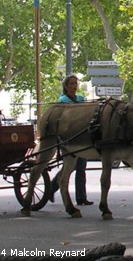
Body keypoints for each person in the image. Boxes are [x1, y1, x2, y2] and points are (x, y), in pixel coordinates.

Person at [49, 75, 93, 206]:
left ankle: (81, 197)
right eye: (72, 84)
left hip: (81, 137)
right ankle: (51, 188)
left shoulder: (80, 99)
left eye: (76, 83)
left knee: (81, 168)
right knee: (70, 167)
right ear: (66, 86)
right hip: (69, 138)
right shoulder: (63, 100)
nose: (74, 86)